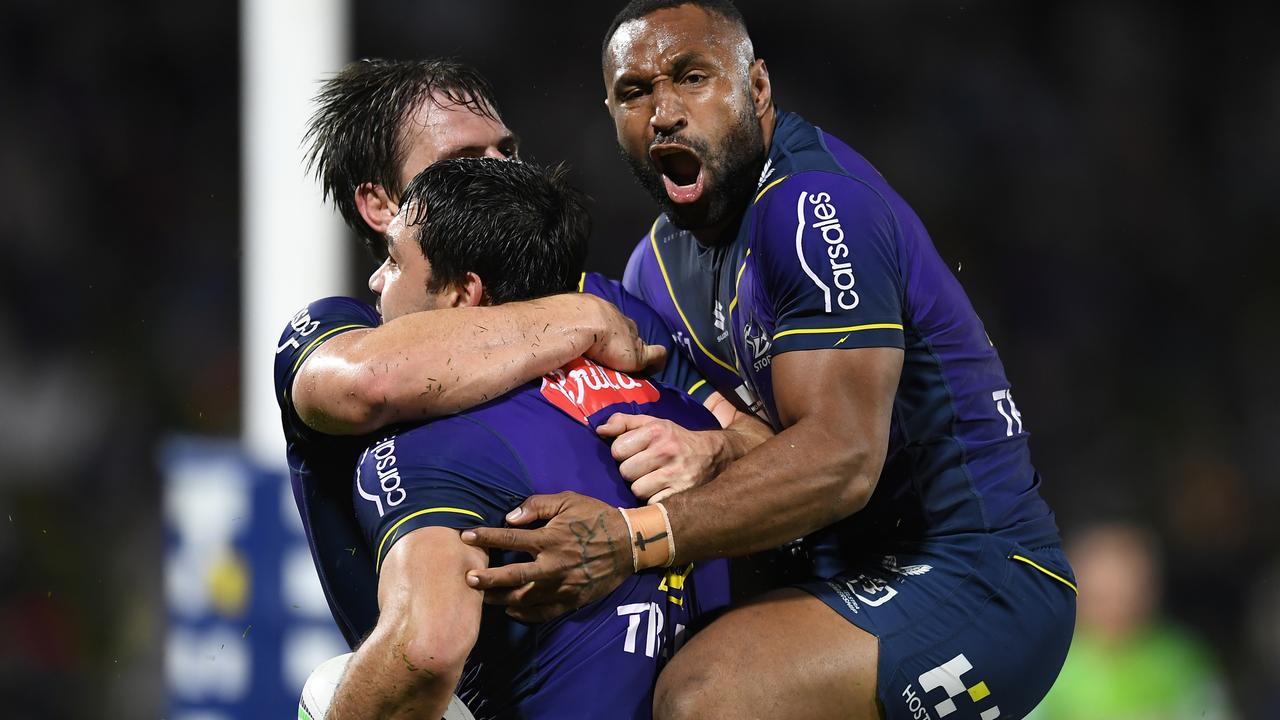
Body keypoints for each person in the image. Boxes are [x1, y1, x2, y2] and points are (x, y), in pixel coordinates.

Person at [461, 2, 1077, 718]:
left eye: (692, 78)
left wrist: (632, 539)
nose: (663, 113)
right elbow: (762, 448)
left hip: (976, 574)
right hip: (829, 569)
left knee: (707, 698)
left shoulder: (816, 210)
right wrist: (713, 447)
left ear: (757, 90)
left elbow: (840, 460)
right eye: (635, 92)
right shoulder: (652, 271)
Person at [276, 58, 766, 648]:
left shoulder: (611, 301)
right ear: (382, 206)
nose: (502, 172)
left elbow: (762, 447)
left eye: (506, 151)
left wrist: (711, 448)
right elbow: (363, 384)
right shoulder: (341, 328)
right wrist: (576, 318)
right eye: (463, 161)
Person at [327, 157, 730, 719]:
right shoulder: (687, 425)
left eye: (395, 262)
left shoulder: (437, 443)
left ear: (462, 295)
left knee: (330, 689)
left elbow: (424, 651)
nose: (375, 280)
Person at [1030, 523, 1233, 720]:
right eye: (1103, 596)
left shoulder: (1180, 660)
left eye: (1127, 594)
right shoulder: (1044, 665)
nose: (1116, 608)